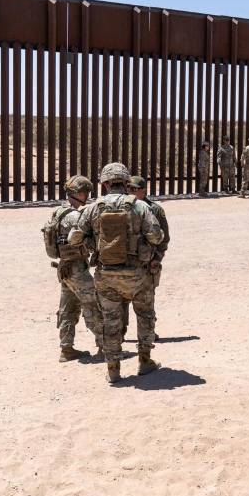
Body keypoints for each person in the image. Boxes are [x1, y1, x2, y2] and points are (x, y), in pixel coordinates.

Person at [74, 162, 163, 384]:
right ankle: (144, 361)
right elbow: (156, 237)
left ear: (104, 184)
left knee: (110, 321)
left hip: (106, 275)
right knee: (145, 316)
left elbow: (76, 238)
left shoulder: (93, 208)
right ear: (126, 182)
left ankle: (113, 369)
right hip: (138, 275)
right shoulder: (140, 207)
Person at [41, 175, 105, 363]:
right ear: (77, 193)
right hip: (76, 268)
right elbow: (89, 238)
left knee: (68, 308)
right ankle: (105, 347)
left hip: (64, 267)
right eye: (86, 192)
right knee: (93, 304)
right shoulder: (75, 216)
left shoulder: (58, 212)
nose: (87, 196)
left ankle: (66, 348)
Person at [127, 175, 169, 341]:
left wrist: (157, 258)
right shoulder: (124, 207)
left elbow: (164, 238)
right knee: (123, 299)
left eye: (134, 189)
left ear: (143, 190)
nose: (131, 191)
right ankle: (120, 332)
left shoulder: (155, 209)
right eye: (129, 188)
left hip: (148, 261)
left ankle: (148, 332)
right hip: (127, 261)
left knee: (146, 299)